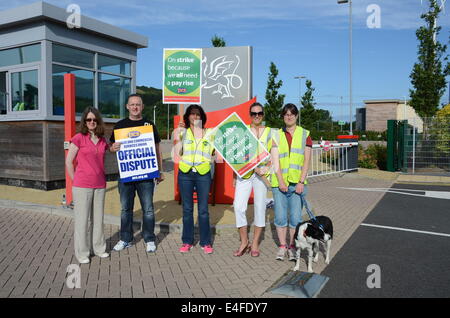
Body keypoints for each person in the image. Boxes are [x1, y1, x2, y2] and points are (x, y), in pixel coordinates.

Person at [109, 94, 164, 253]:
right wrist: (113, 148)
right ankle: (125, 238)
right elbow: (112, 146)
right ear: (127, 106)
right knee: (126, 209)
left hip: (146, 175)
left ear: (142, 106)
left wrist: (159, 171)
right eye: (132, 104)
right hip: (126, 174)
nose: (135, 107)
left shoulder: (149, 125)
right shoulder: (119, 126)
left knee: (148, 209)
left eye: (137, 104)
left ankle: (149, 238)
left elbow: (157, 149)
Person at [65, 107, 110, 264]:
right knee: (82, 221)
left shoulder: (103, 140)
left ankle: (99, 249)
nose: (91, 122)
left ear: (98, 121)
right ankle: (82, 253)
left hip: (100, 184)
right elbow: (69, 162)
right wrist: (75, 180)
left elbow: (110, 150)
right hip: (82, 186)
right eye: (88, 119)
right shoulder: (79, 138)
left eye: (94, 119)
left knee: (98, 220)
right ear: (84, 121)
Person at [271, 103, 312, 261]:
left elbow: (306, 161)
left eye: (292, 114)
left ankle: (293, 247)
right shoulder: (276, 135)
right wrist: (281, 181)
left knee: (295, 219)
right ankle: (283, 247)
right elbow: (275, 161)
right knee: (280, 218)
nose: (289, 116)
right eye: (286, 114)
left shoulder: (305, 134)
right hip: (279, 183)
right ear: (283, 116)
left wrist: (301, 182)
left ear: (296, 116)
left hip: (297, 185)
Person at [232, 102, 273, 257]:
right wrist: (234, 175)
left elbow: (274, 154)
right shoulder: (244, 131)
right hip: (245, 174)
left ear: (263, 114)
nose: (257, 116)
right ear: (250, 115)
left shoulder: (270, 132)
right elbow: (234, 156)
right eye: (254, 113)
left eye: (259, 113)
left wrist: (267, 168)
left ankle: (255, 243)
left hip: (262, 176)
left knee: (260, 207)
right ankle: (244, 241)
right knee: (238, 206)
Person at [174, 105, 214, 254]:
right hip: (185, 173)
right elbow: (178, 152)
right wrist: (179, 134)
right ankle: (187, 241)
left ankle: (205, 242)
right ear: (188, 116)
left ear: (202, 117)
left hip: (203, 173)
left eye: (198, 114)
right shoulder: (183, 132)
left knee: (203, 210)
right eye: (192, 114)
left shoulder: (210, 133)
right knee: (187, 209)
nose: (195, 117)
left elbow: (217, 151)